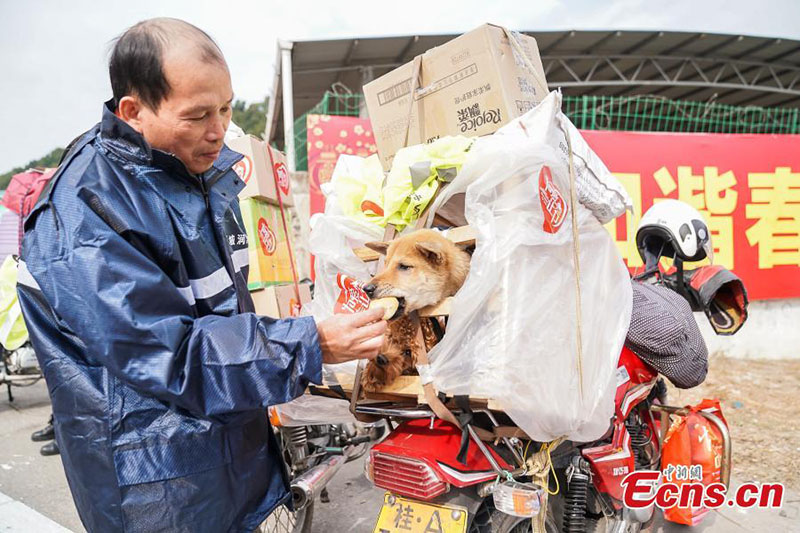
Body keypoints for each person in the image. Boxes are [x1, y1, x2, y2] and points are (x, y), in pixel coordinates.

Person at [16, 18, 386, 532]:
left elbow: (223, 313)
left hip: (230, 456)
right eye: (197, 116)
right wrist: (307, 342)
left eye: (226, 108)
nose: (218, 131)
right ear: (133, 111)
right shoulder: (86, 214)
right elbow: (171, 354)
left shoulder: (194, 173)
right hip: (158, 488)